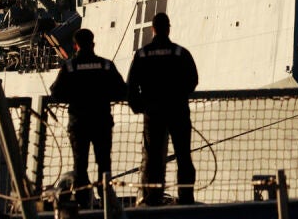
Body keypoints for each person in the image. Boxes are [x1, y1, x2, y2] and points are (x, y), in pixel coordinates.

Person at [50, 28, 127, 208]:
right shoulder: (105, 65)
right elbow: (122, 90)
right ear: (93, 44)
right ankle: (106, 200)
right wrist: (104, 95)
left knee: (80, 166)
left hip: (78, 123)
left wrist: (74, 97)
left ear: (75, 46)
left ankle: (83, 203)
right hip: (101, 121)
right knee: (104, 163)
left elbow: (56, 92)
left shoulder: (69, 67)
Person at [127, 13, 199, 205]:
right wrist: (179, 96)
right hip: (178, 111)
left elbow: (131, 85)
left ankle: (153, 198)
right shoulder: (180, 53)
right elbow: (193, 80)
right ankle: (186, 197)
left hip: (153, 113)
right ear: (168, 29)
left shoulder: (142, 54)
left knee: (153, 158)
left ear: (153, 29)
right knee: (183, 156)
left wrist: (139, 106)